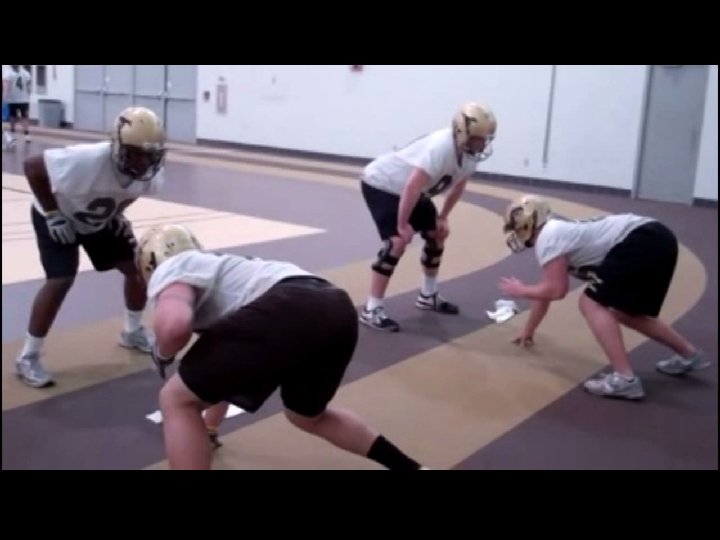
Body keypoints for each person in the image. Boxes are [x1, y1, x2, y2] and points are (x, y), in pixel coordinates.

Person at [136, 223, 429, 470]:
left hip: (285, 306)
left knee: (176, 400)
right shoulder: (225, 270)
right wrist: (209, 428)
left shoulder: (174, 268)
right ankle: (411, 468)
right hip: (334, 306)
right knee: (308, 416)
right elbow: (218, 377)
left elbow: (174, 327)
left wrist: (162, 354)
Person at [498, 194, 710, 401]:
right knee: (627, 312)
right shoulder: (556, 233)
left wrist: (522, 290)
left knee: (590, 303)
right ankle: (690, 355)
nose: (516, 233)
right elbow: (546, 290)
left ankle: (625, 379)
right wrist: (529, 329)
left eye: (517, 227)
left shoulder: (548, 237)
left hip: (641, 239)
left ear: (529, 223)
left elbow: (556, 290)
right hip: (657, 238)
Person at [15, 106, 166, 388]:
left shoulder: (150, 178)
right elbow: (32, 166)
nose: (144, 162)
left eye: (150, 155)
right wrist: (53, 214)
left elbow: (130, 193)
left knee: (137, 268)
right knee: (61, 279)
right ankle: (28, 356)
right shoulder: (87, 160)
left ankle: (132, 331)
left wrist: (116, 213)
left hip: (97, 219)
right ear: (118, 147)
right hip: (58, 213)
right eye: (136, 154)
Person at [358, 102, 497, 332]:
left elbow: (459, 185)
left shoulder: (469, 154)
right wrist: (402, 225)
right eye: (477, 138)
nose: (482, 144)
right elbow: (412, 186)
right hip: (382, 183)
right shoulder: (441, 147)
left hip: (411, 190)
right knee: (397, 243)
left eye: (485, 139)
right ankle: (372, 309)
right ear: (461, 132)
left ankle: (428, 295)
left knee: (437, 233)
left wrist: (443, 217)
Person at [2, 65, 32, 146]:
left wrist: (4, 98)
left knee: (19, 117)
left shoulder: (24, 73)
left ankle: (22, 134)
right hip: (14, 99)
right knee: (17, 117)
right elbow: (6, 87)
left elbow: (6, 87)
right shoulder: (9, 73)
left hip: (21, 99)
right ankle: (20, 134)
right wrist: (5, 98)